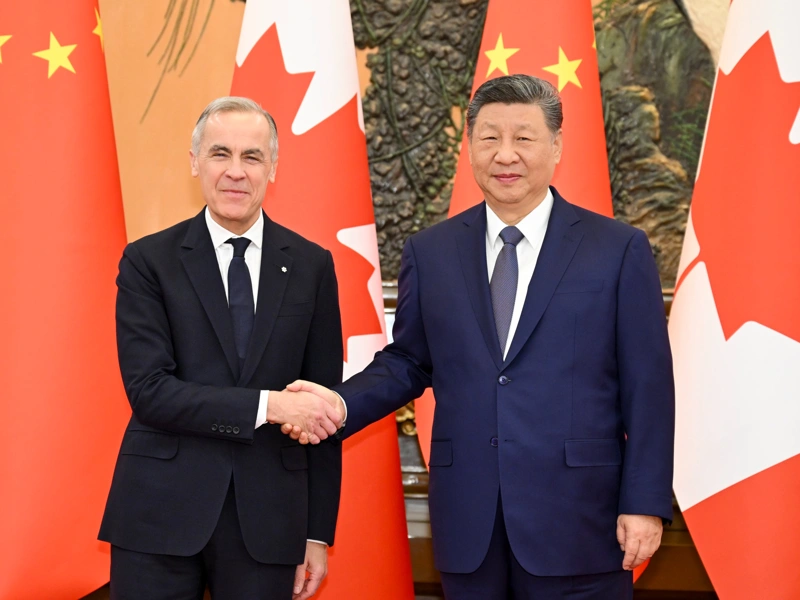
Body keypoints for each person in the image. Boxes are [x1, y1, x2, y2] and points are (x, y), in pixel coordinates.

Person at [286, 75, 675, 599]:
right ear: (470, 148)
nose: (505, 154)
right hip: (470, 523)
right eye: (489, 138)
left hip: (581, 521)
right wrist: (337, 401)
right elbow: (408, 361)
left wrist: (645, 501)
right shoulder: (432, 251)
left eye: (524, 138)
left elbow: (648, 386)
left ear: (556, 146)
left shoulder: (618, 249)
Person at [99, 97, 344, 600]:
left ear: (273, 168)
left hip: (270, 522)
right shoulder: (148, 262)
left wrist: (317, 533)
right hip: (158, 518)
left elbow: (323, 406)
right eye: (220, 154)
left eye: (252, 157)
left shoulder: (312, 266)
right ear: (195, 163)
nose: (236, 172)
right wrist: (268, 405)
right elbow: (150, 391)